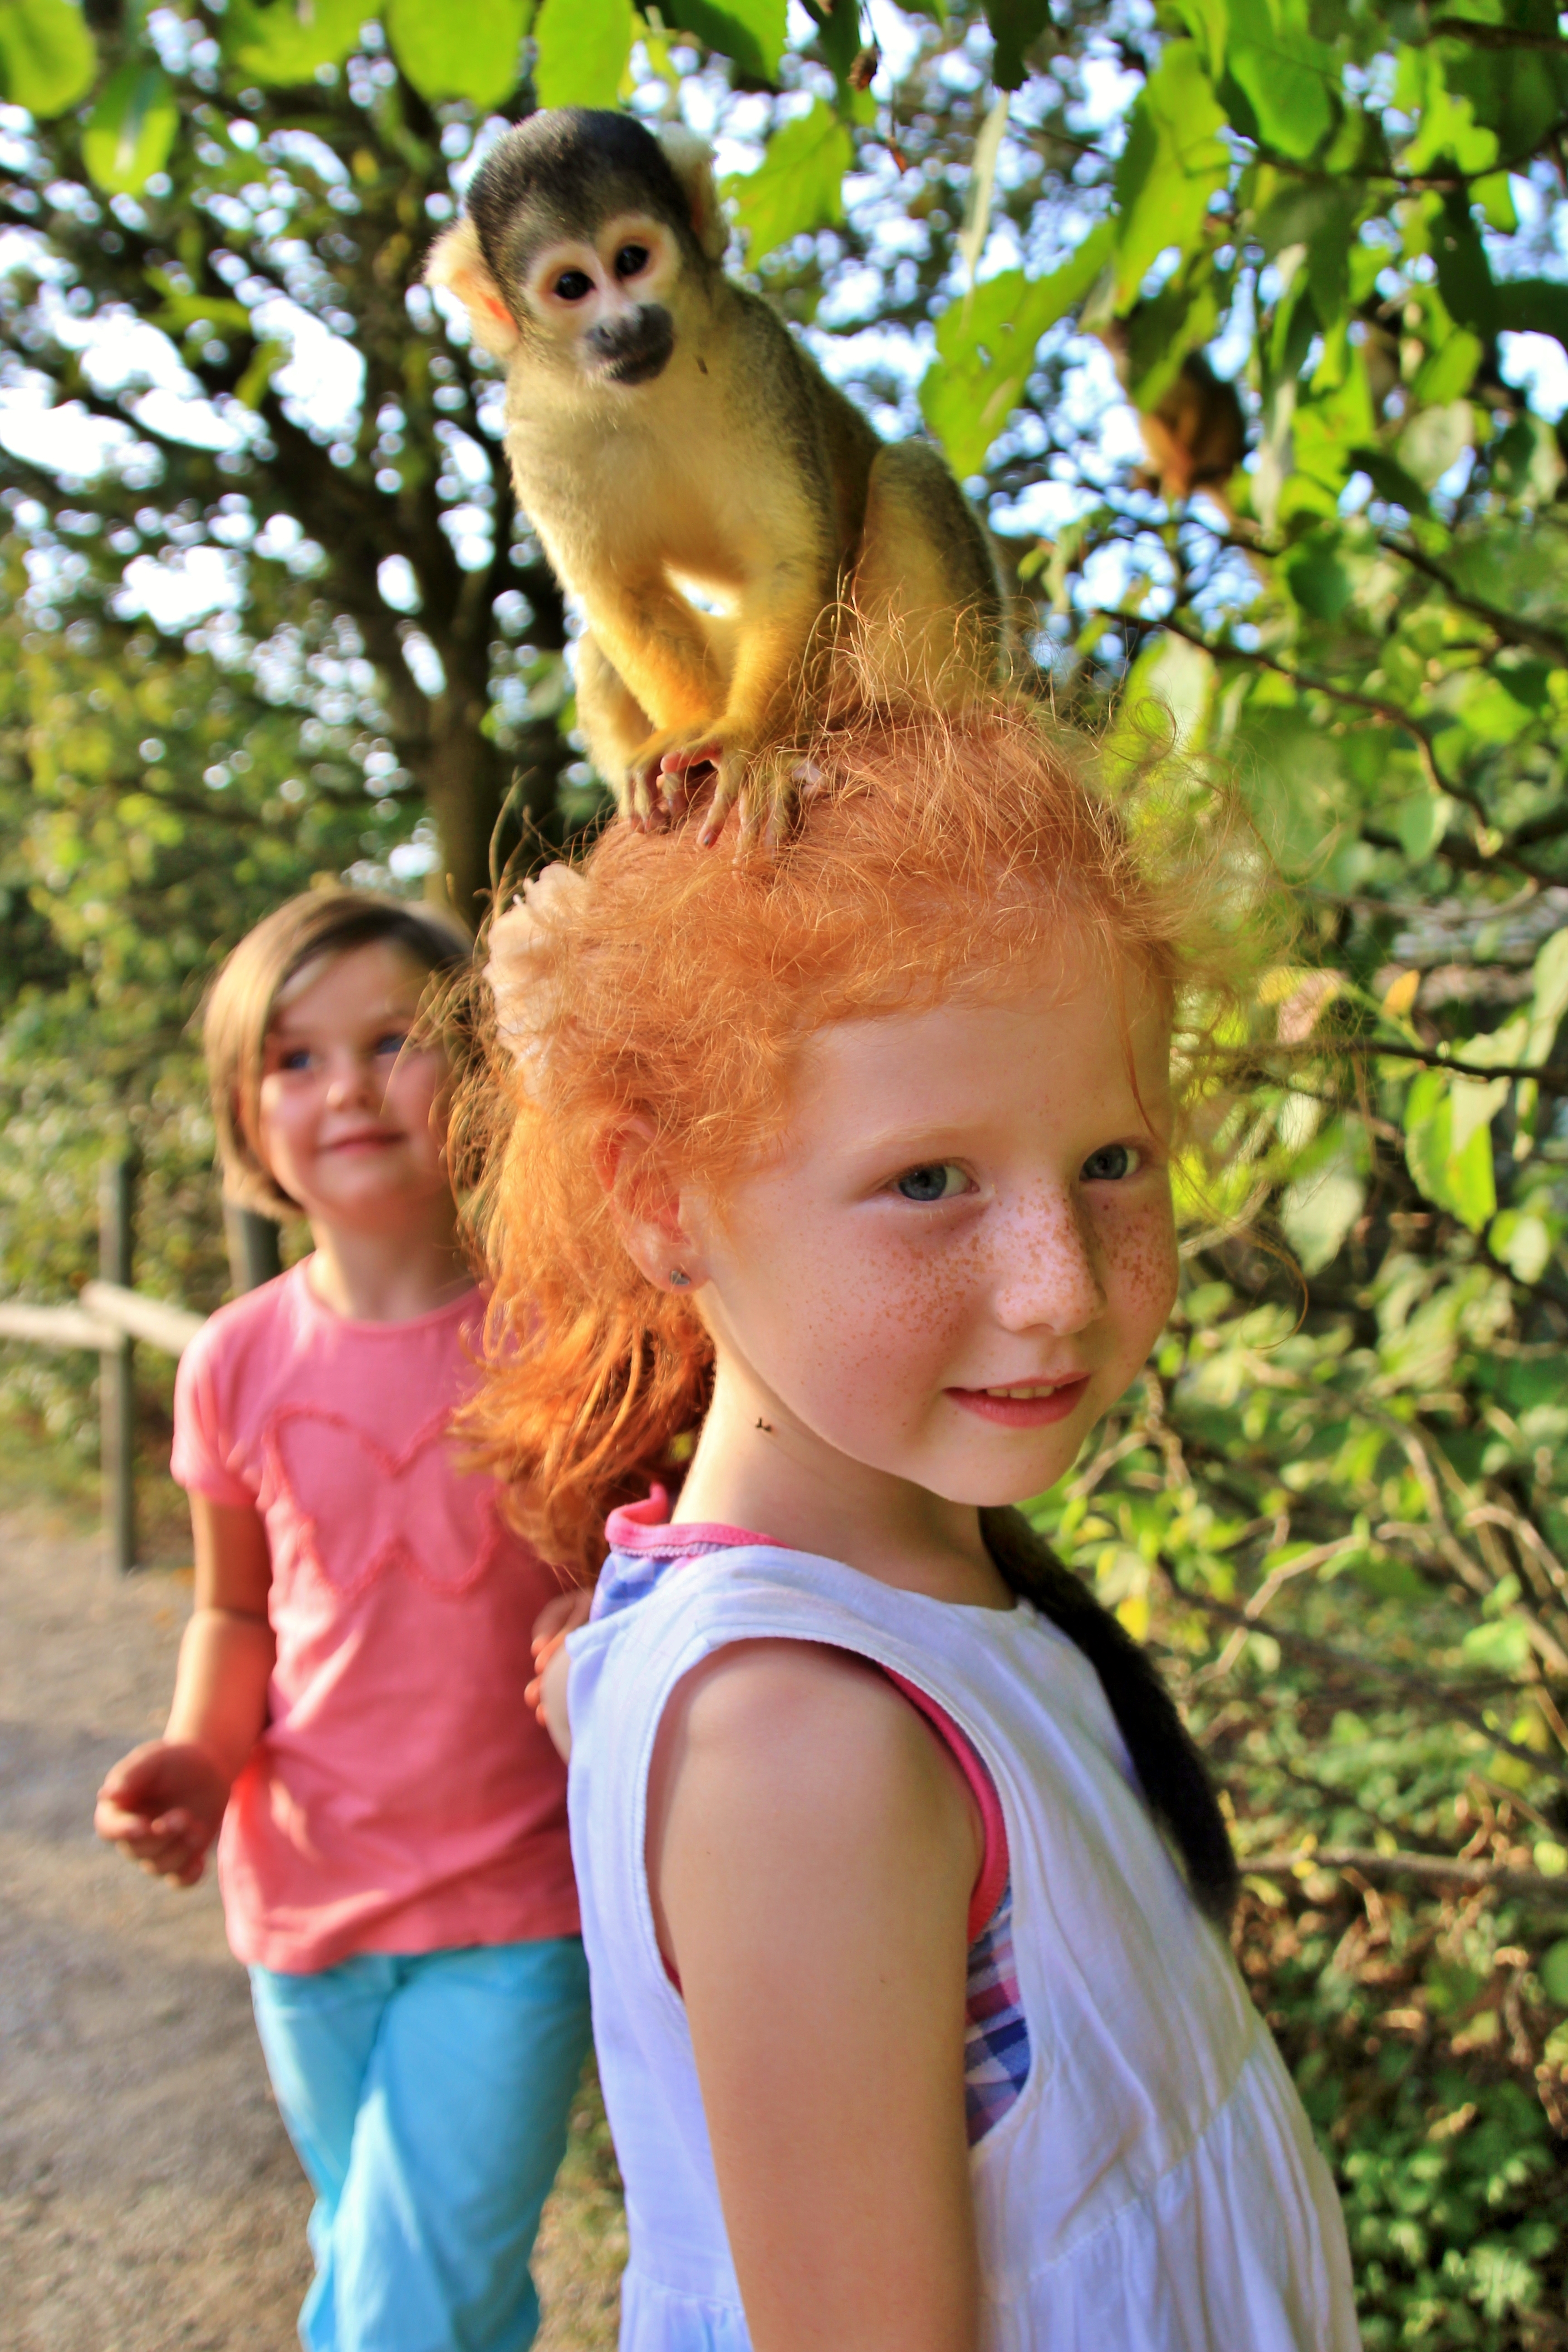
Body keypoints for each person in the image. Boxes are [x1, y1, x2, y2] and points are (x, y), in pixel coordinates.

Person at [463, 699, 1361, 2352]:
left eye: (1111, 1159)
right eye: (930, 1182)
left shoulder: (936, 1590)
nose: (1060, 1289)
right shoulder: (804, 1746)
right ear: (662, 1198)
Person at [94, 887, 591, 2352]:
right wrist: (196, 1756)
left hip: (513, 1902)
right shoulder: (233, 1366)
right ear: (248, 1123)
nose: (351, 1087)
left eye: (394, 1041)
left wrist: (601, 1619)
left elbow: (629, 1568)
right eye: (295, 1059)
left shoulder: (563, 1339)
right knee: (388, 2245)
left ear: (485, 1081)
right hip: (299, 1903)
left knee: (405, 2301)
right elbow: (237, 1612)